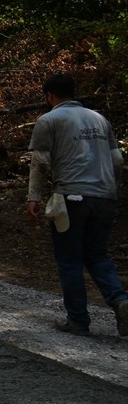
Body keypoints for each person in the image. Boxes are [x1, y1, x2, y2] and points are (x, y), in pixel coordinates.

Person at [26, 72, 127, 337]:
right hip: (105, 197)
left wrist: (33, 197)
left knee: (69, 259)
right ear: (73, 92)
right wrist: (107, 188)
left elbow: (40, 162)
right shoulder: (100, 119)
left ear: (49, 96)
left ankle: (79, 320)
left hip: (71, 197)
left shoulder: (49, 120)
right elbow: (117, 161)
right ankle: (120, 301)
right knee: (97, 254)